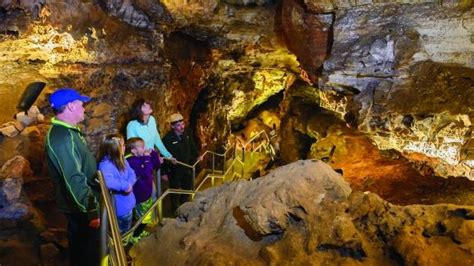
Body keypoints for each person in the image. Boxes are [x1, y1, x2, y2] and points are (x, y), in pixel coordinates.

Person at [44, 88, 100, 266]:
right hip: (80, 208)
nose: (84, 108)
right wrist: (91, 211)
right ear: (70, 106)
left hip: (81, 204)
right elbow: (73, 178)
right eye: (80, 104)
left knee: (85, 247)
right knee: (86, 252)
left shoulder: (69, 132)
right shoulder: (62, 138)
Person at [98, 134, 137, 233]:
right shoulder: (105, 165)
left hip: (128, 203)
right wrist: (125, 186)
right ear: (115, 148)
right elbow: (108, 182)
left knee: (127, 227)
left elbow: (132, 173)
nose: (125, 147)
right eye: (122, 145)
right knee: (122, 231)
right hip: (121, 208)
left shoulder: (122, 159)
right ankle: (123, 245)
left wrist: (129, 184)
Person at [125, 137, 162, 239]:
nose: (144, 148)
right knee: (145, 218)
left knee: (145, 216)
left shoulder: (142, 157)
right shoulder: (131, 161)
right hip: (140, 195)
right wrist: (146, 158)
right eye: (141, 147)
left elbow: (156, 165)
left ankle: (139, 232)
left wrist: (153, 153)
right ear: (133, 150)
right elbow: (145, 173)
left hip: (147, 192)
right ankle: (135, 236)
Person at [162, 113, 199, 212]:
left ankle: (184, 206)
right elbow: (164, 155)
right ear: (173, 126)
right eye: (178, 125)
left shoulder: (187, 133)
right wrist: (163, 172)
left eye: (182, 124)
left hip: (186, 166)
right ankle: (175, 210)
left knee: (187, 187)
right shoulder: (167, 139)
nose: (182, 127)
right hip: (174, 170)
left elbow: (192, 145)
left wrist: (197, 155)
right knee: (175, 191)